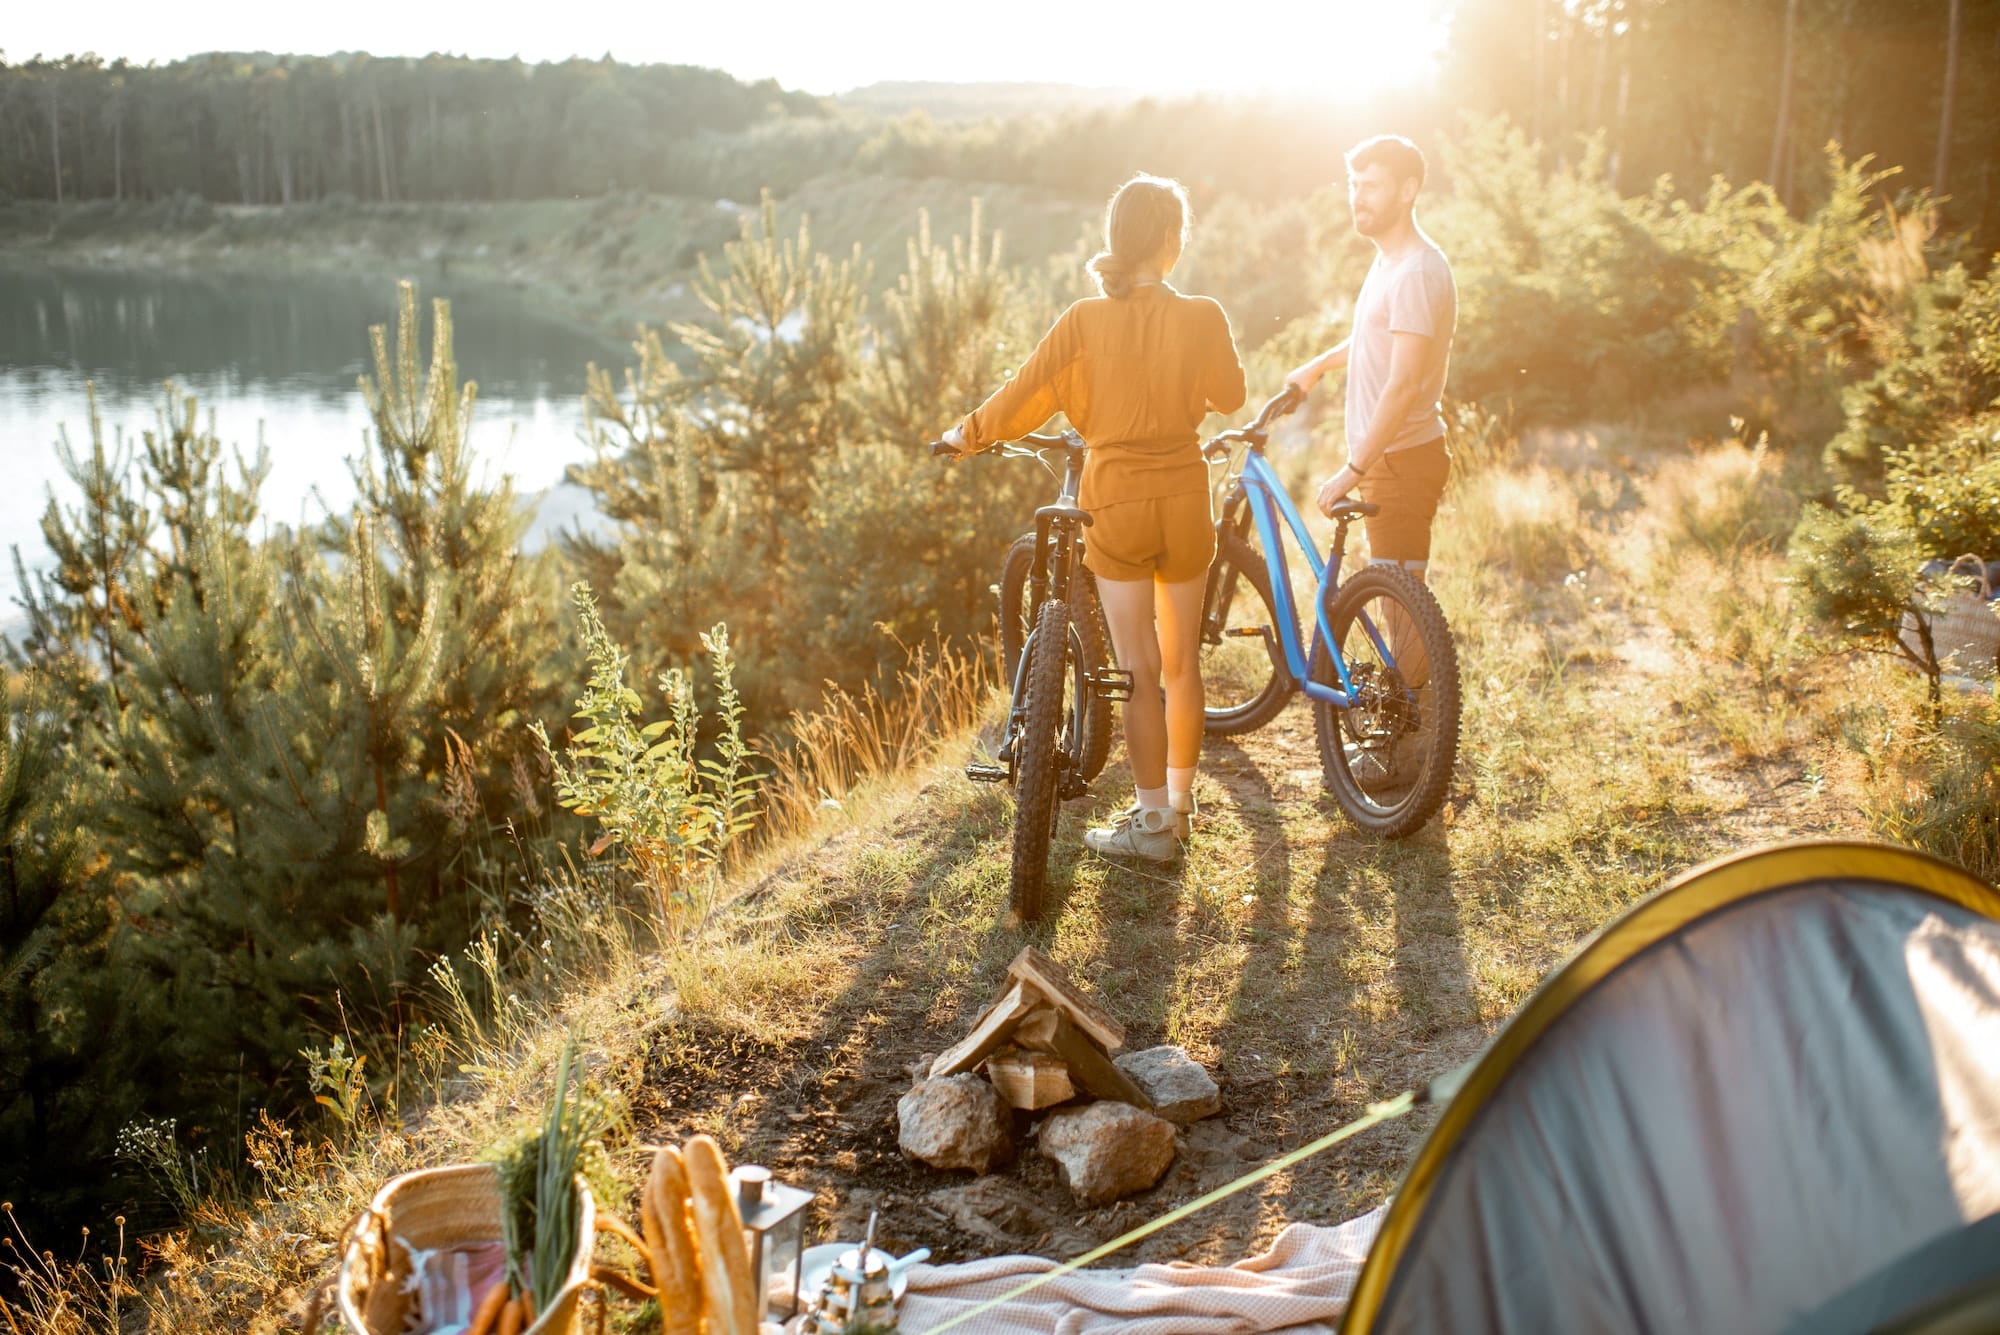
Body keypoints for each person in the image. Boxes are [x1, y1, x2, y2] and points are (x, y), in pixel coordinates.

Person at [941, 174, 1246, 864]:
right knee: (1181, 663)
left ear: (1118, 239)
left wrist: (968, 433)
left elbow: (1024, 392)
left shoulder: (1084, 320)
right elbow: (1231, 393)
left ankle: (1152, 824)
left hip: (1118, 503)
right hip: (1184, 496)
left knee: (1135, 665)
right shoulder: (1203, 314)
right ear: (1170, 241)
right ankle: (1181, 801)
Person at [1285, 134, 1457, 584]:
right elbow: (1373, 339)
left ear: (1408, 190)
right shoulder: (1389, 261)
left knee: (1405, 615)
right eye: (1354, 185)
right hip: (1385, 457)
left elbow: (1405, 383)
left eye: (1372, 186)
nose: (1358, 198)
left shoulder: (1415, 272)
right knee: (1392, 600)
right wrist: (1319, 366)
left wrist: (1352, 470)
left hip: (1400, 459)